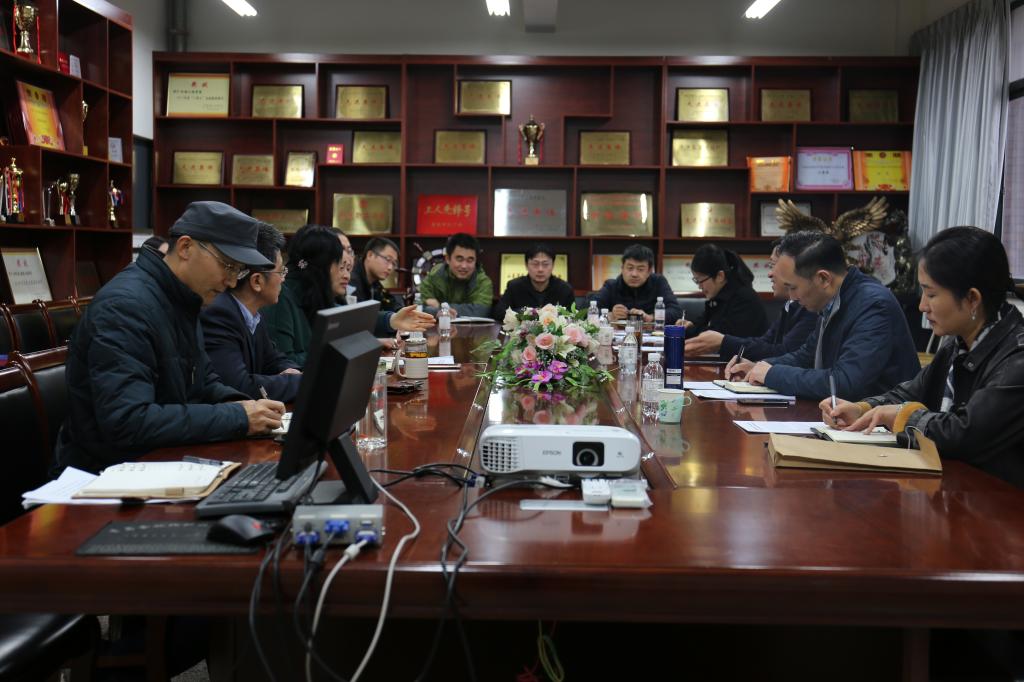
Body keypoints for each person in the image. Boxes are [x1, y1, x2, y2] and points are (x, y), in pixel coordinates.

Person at [55, 201, 286, 474]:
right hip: (105, 473)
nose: (232, 281)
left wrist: (242, 405)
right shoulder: (125, 308)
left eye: (239, 270)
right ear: (186, 247)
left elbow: (204, 381)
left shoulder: (184, 298)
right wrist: (238, 417)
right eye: (228, 265)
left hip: (159, 460)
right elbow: (129, 421)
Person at [821, 226, 1024, 488]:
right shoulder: (959, 344)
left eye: (931, 294)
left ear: (972, 299)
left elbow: (965, 434)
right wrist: (863, 409)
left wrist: (902, 416)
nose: (922, 306)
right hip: (958, 490)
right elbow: (910, 393)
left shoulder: (1017, 357)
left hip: (1001, 502)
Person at [726, 230, 918, 400]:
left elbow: (845, 383)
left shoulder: (873, 305)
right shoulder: (834, 299)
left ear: (823, 278)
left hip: (882, 422)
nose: (792, 297)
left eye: (793, 287)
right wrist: (759, 367)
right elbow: (806, 356)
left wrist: (771, 374)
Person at [263, 225, 431, 366]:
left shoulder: (314, 294)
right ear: (323, 265)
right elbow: (284, 363)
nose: (345, 275)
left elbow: (351, 317)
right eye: (340, 265)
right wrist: (338, 351)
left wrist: (391, 320)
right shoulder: (282, 297)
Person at [200, 222, 302, 403]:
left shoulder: (251, 313)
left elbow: (273, 360)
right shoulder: (219, 314)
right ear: (257, 281)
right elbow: (239, 387)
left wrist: (289, 371)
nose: (283, 279)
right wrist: (299, 382)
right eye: (281, 271)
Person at [685, 244, 816, 359]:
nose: (769, 274)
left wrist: (723, 342)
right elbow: (767, 342)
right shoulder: (791, 304)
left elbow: (786, 354)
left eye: (773, 266)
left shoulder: (812, 309)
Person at [681, 243, 768, 339]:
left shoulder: (744, 300)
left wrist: (691, 331)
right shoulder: (718, 296)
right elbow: (704, 324)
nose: (699, 287)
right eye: (696, 281)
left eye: (700, 281)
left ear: (720, 276)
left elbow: (718, 337)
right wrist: (688, 327)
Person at [594, 243, 682, 324]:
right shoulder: (611, 286)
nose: (634, 274)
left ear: (649, 271)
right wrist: (610, 315)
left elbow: (676, 311)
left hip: (651, 333)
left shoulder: (658, 282)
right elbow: (589, 311)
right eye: (630, 268)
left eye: (640, 269)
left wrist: (651, 317)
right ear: (622, 268)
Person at [493, 243, 576, 321]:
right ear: (526, 265)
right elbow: (499, 313)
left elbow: (572, 317)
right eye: (535, 264)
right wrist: (529, 313)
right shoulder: (514, 286)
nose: (540, 269)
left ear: (553, 265)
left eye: (545, 264)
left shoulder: (564, 289)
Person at [418, 232, 494, 317]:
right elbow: (420, 307)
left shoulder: (483, 282)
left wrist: (440, 308)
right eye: (459, 259)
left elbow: (480, 311)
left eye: (470, 260)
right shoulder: (435, 275)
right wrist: (437, 311)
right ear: (447, 259)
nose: (464, 266)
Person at [351, 236, 404, 312]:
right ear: (370, 255)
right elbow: (361, 314)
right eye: (388, 259)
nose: (390, 267)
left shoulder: (375, 283)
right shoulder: (352, 281)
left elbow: (391, 304)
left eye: (394, 263)